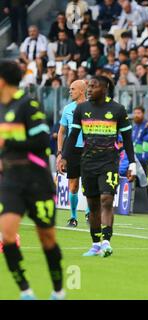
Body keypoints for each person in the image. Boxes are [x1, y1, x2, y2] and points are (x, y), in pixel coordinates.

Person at [0, 60, 64, 300]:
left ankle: (58, 290)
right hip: (11, 180)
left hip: (37, 179)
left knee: (47, 238)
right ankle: (26, 291)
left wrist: (8, 143)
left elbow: (41, 142)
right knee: (7, 236)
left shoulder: (28, 104)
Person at [61, 76, 136, 258]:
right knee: (93, 204)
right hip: (87, 163)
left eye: (93, 87)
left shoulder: (118, 110)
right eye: (88, 86)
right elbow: (72, 136)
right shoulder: (82, 109)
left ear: (104, 88)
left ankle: (106, 242)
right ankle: (95, 244)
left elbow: (127, 139)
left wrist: (132, 163)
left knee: (106, 200)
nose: (89, 89)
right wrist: (64, 157)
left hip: (109, 162)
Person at [56, 80, 90, 227]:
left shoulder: (92, 107)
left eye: (73, 89)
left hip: (89, 149)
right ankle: (73, 216)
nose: (70, 91)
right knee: (73, 184)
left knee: (89, 184)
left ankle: (89, 213)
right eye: (70, 89)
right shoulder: (67, 109)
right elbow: (62, 132)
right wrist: (60, 152)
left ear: (82, 91)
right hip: (73, 150)